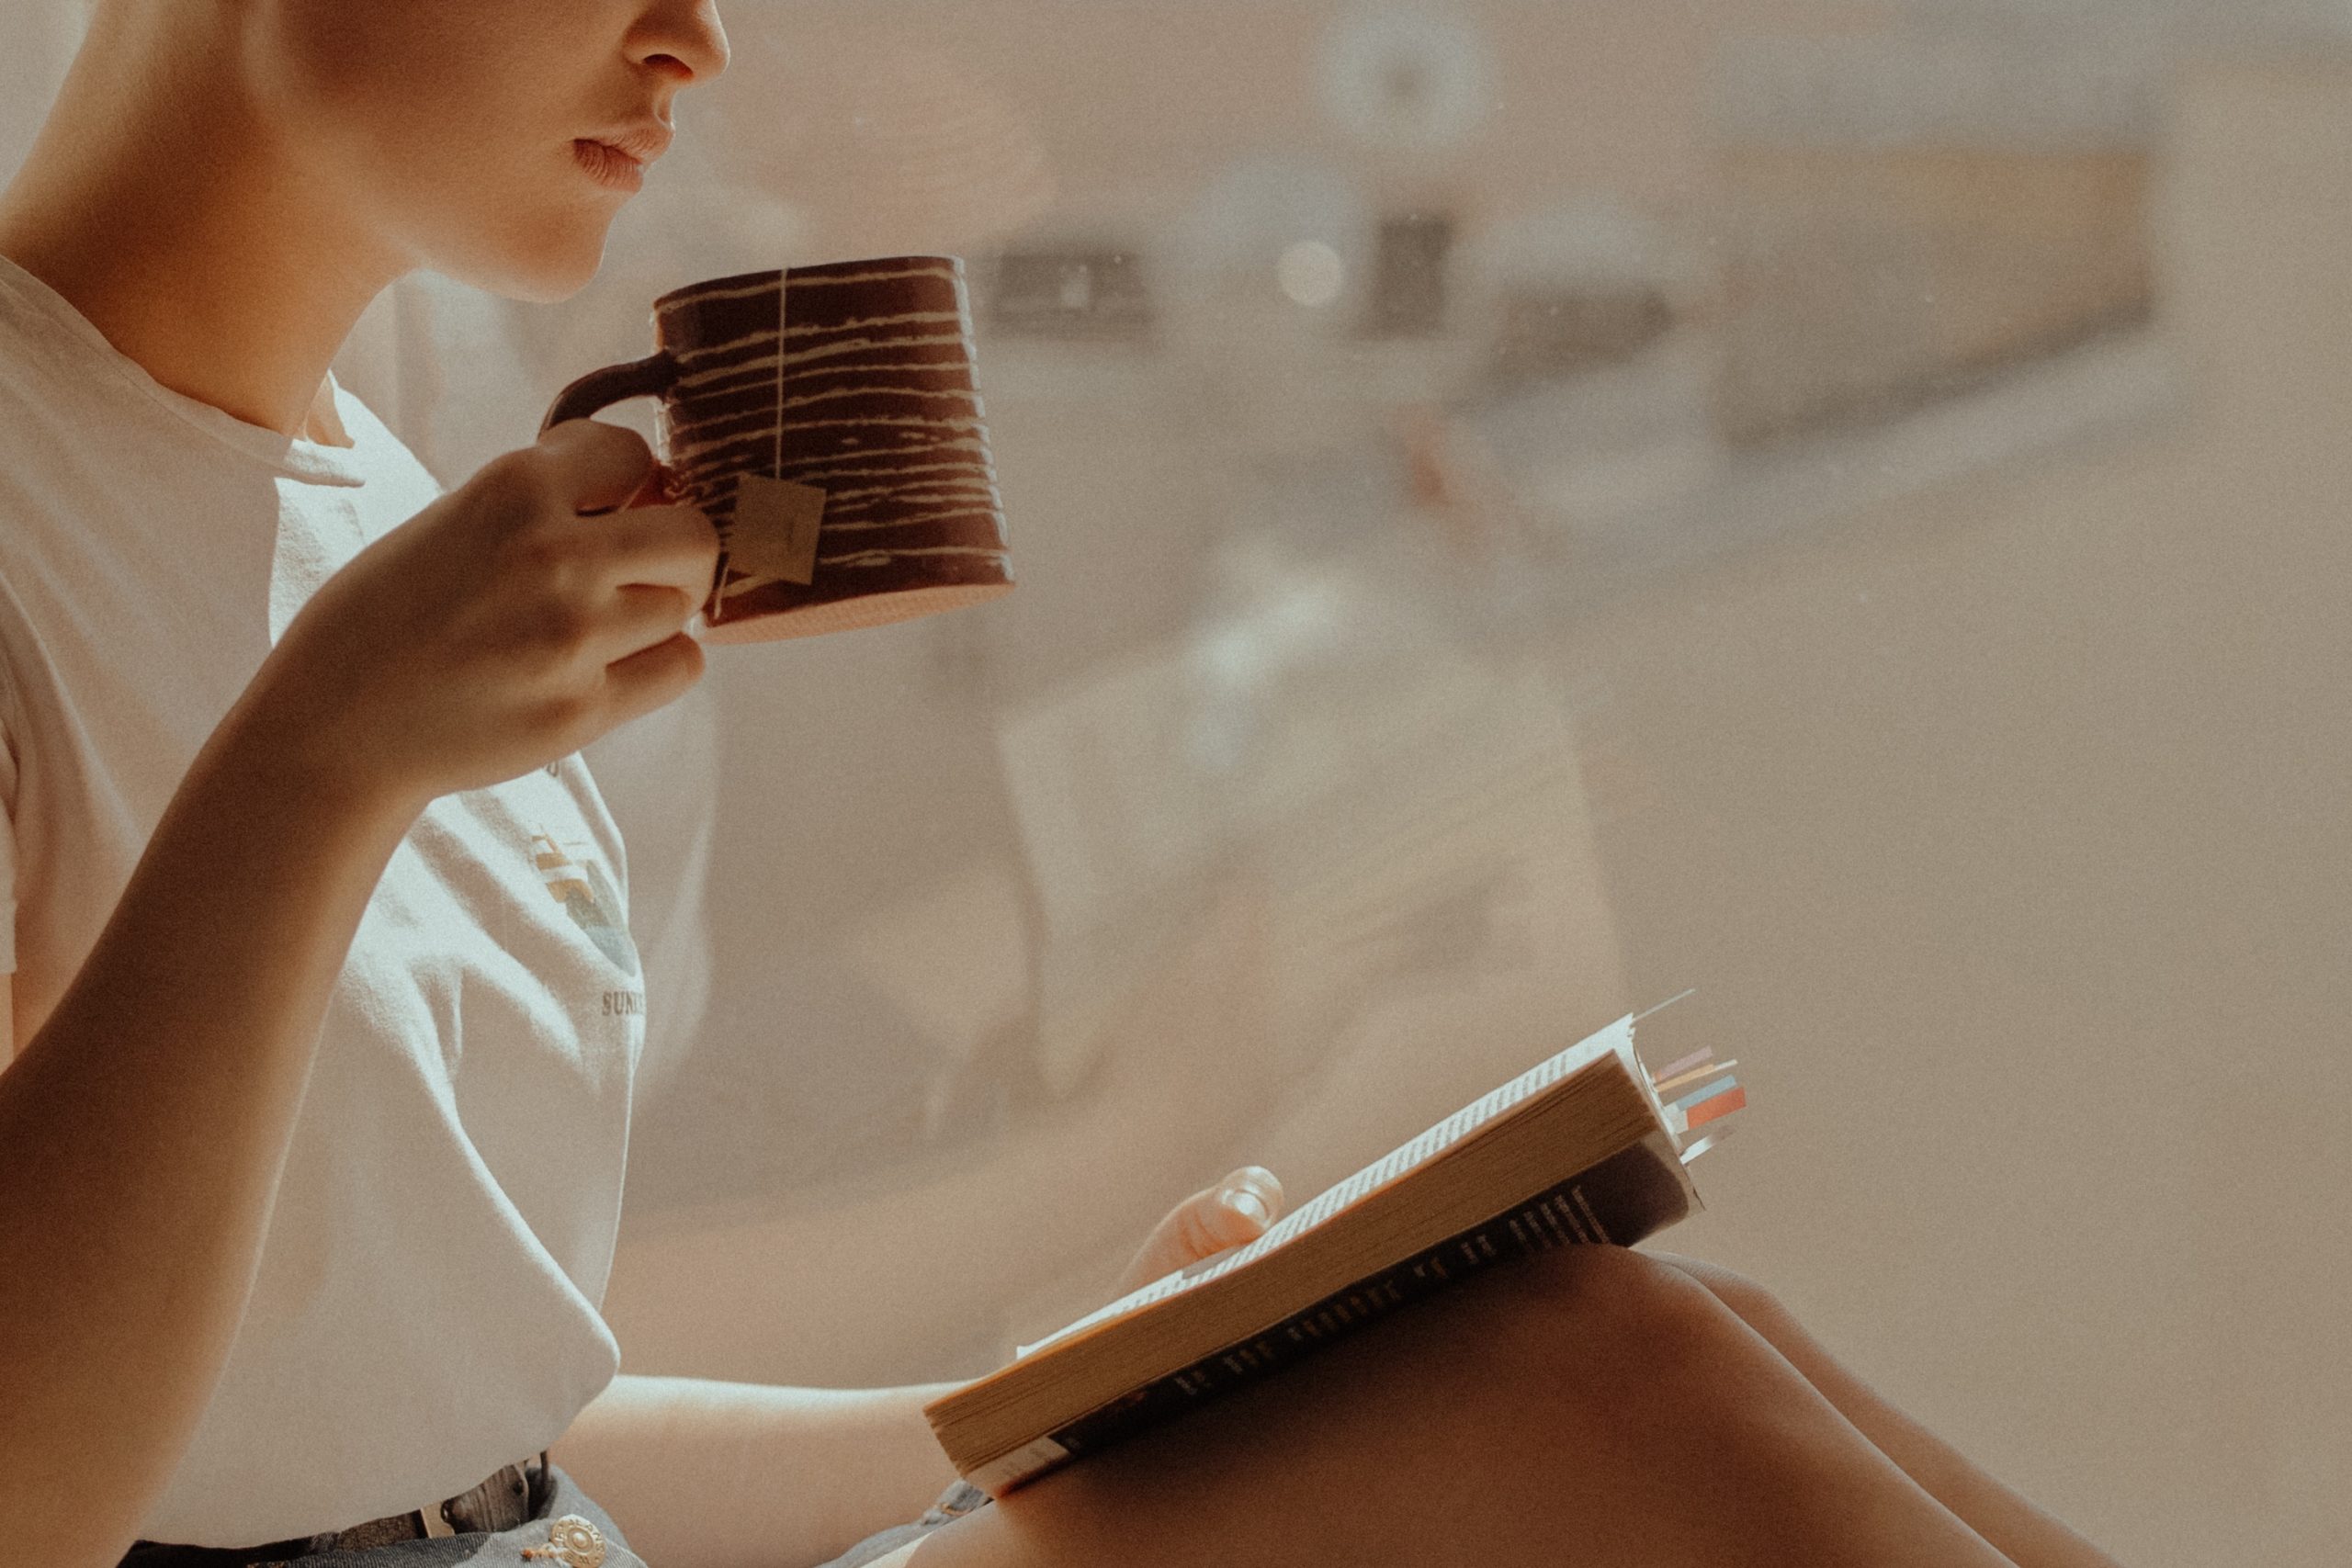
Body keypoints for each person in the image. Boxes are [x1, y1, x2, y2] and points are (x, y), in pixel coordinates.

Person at [0, 4, 2130, 1567]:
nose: (697, 42)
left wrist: (1045, 1398)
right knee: (1592, 1389)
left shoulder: (372, 507)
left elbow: (466, 1437)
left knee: (1614, 1328)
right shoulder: (81, 532)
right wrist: (315, 765)